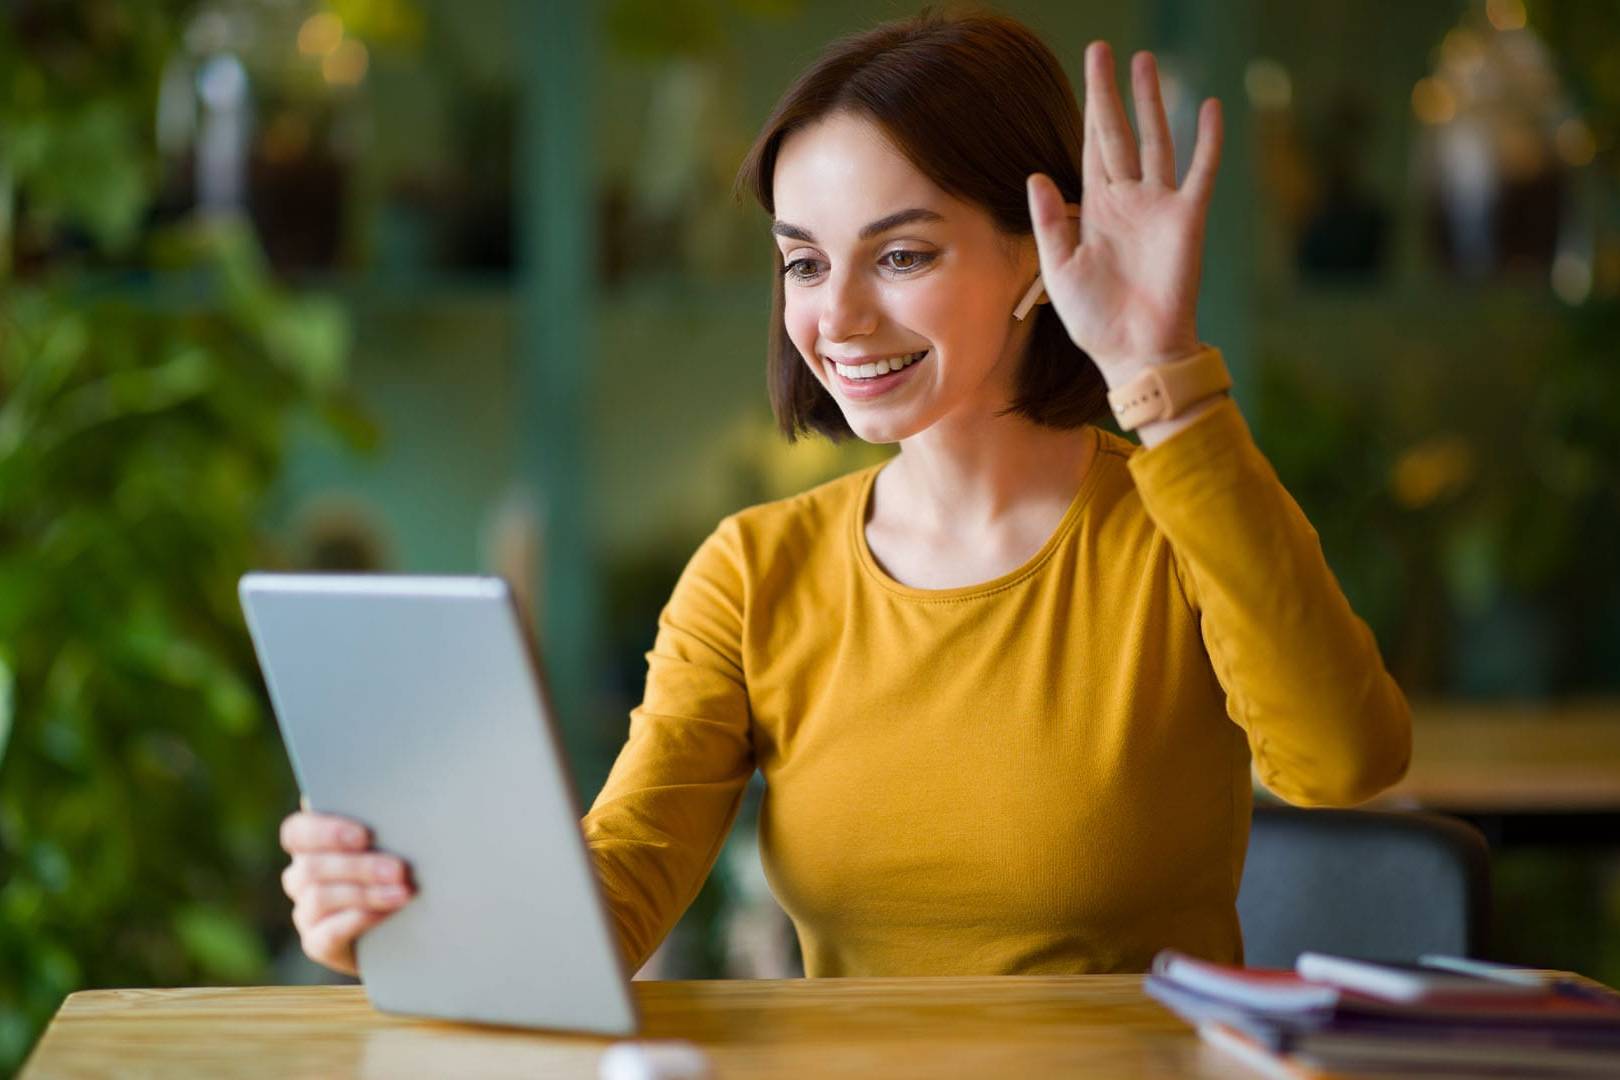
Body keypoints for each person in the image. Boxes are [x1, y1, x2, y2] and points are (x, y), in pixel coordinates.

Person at [278, 9, 1410, 980]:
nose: (838, 319)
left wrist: (1162, 381)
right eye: (804, 263)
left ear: (1039, 249)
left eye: (902, 256)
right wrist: (408, 912)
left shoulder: (1172, 526)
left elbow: (1343, 762)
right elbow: (615, 895)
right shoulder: (754, 572)